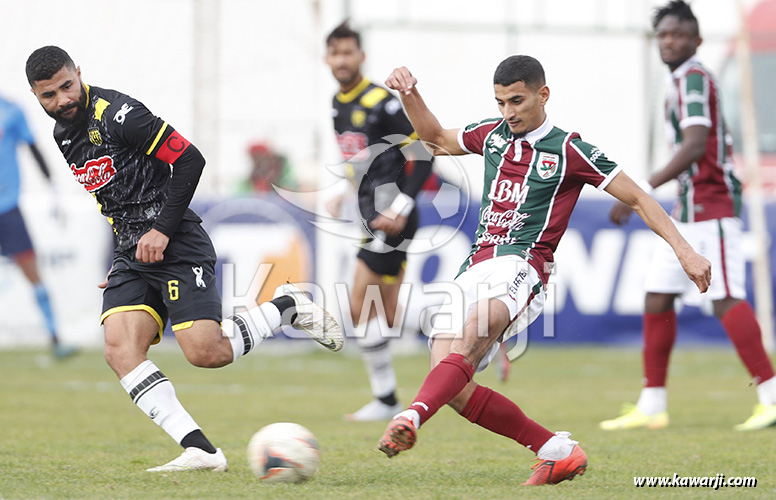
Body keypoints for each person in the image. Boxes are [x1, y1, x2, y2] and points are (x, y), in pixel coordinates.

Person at [379, 55, 711, 485]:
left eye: (516, 101)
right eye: (500, 103)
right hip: (475, 265)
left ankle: (410, 417)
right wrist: (411, 94)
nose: (508, 113)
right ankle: (557, 451)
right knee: (454, 388)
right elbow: (436, 139)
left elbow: (639, 199)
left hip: (524, 264)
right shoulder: (492, 135)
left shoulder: (570, 149)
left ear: (542, 94)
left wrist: (684, 251)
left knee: (477, 330)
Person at [25, 46, 343, 472]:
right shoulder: (63, 135)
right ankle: (202, 451)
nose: (62, 100)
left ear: (78, 73)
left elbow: (190, 159)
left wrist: (161, 230)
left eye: (67, 86)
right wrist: (123, 252)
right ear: (36, 96)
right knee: (120, 349)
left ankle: (288, 306)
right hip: (133, 251)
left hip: (175, 241)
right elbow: (112, 198)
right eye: (49, 95)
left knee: (206, 353)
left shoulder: (121, 114)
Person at [600, 0, 776, 432]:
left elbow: (696, 143)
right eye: (663, 35)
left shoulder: (693, 78)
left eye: (678, 34)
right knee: (657, 296)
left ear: (696, 40)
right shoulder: (681, 78)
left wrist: (643, 188)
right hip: (689, 209)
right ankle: (653, 404)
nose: (669, 42)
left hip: (712, 205)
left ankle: (772, 396)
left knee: (725, 296)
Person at [324, 21, 433, 421]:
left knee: (358, 306)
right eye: (335, 53)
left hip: (392, 218)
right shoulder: (338, 102)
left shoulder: (380, 102)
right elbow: (366, 160)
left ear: (361, 56)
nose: (341, 60)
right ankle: (454, 328)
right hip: (372, 215)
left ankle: (386, 398)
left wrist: (399, 208)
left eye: (348, 52)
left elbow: (425, 151)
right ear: (327, 58)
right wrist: (344, 190)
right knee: (385, 314)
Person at [0, 93, 77, 359]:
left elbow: (32, 147)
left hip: (7, 206)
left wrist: (51, 181)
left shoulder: (11, 110)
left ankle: (55, 338)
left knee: (33, 273)